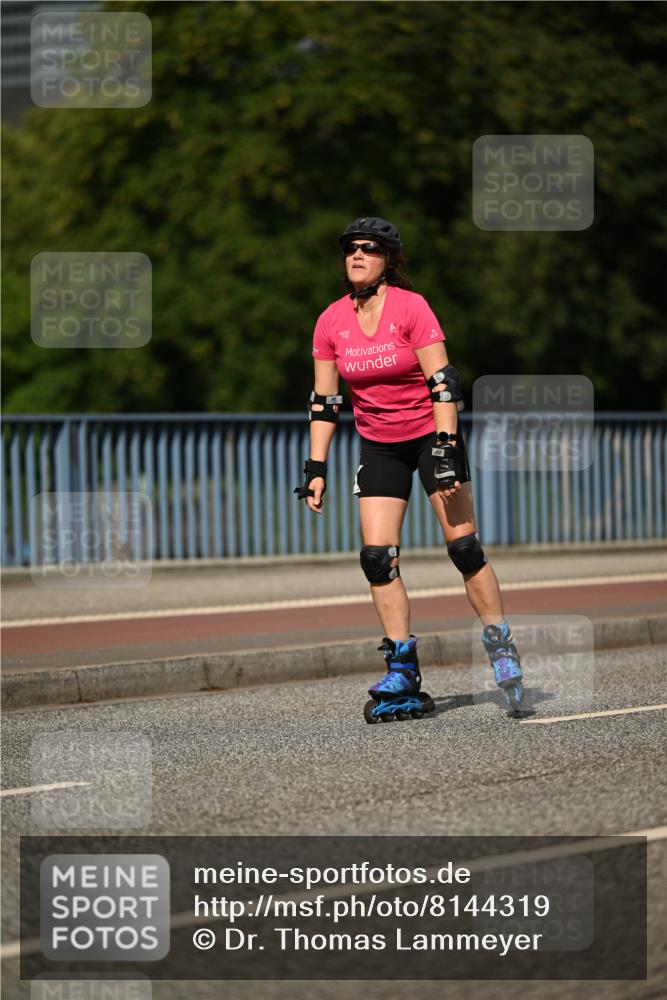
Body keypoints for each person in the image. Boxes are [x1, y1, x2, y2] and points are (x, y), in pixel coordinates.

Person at [295, 217, 524, 722]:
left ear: (388, 260)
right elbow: (324, 402)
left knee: (464, 548)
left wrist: (445, 447)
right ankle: (403, 668)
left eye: (368, 249)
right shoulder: (331, 321)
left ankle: (501, 646)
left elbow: (443, 383)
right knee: (377, 558)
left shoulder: (410, 307)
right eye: (350, 249)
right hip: (379, 446)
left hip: (430, 437)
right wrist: (315, 467)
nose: (356, 256)